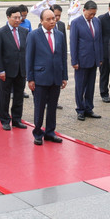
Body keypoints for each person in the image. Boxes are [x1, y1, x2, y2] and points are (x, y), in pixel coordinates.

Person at [26, 8, 68, 145]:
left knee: (52, 107)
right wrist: (30, 78)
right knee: (39, 107)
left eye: (54, 19)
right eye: (48, 19)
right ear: (41, 21)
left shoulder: (60, 35)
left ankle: (50, 132)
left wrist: (64, 76)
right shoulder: (33, 35)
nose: (52, 21)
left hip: (56, 77)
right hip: (40, 77)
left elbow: (62, 57)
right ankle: (37, 132)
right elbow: (29, 58)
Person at [0, 5, 28, 131]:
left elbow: (26, 51)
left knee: (19, 96)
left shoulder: (24, 31)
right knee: (5, 96)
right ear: (8, 17)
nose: (18, 20)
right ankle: (4, 120)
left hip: (21, 69)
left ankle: (17, 119)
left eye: (19, 17)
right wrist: (0, 70)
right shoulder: (1, 33)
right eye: (15, 18)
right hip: (7, 70)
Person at [70, 0, 103, 121]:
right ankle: (80, 109)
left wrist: (100, 58)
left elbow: (98, 41)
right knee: (80, 86)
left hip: (94, 60)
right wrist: (74, 61)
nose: (92, 16)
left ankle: (89, 108)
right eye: (90, 14)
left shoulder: (97, 21)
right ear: (84, 10)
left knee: (90, 86)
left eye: (94, 14)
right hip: (82, 60)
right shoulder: (76, 23)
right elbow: (73, 43)